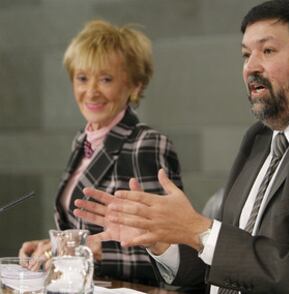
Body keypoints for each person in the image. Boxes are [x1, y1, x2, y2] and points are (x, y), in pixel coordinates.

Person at [74, 1, 289, 293]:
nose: (250, 67)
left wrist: (199, 230)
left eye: (267, 51)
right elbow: (231, 262)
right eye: (245, 54)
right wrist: (164, 239)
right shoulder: (261, 138)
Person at [18, 20, 182, 286]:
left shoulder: (146, 144)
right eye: (82, 78)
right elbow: (80, 230)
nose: (91, 91)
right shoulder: (81, 142)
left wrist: (90, 252)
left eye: (105, 79)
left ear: (134, 86)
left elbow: (166, 255)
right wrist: (52, 248)